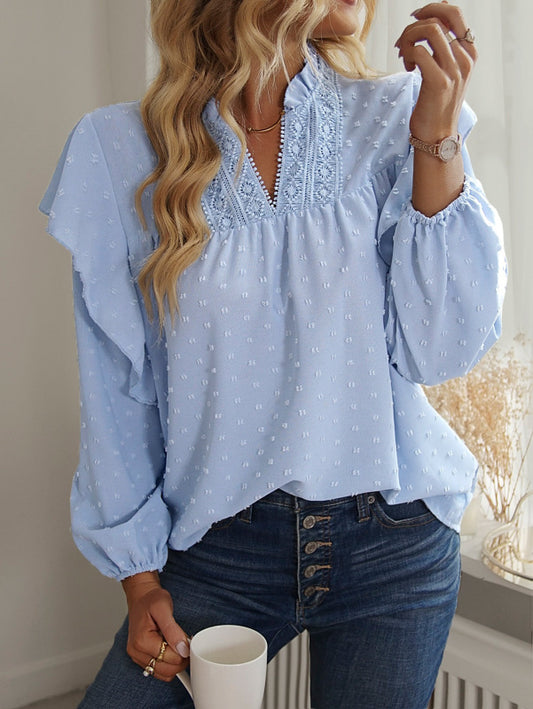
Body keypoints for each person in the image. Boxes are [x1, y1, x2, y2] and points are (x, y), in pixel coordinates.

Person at [39, 1, 506, 707]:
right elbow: (116, 393)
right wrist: (138, 577)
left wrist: (436, 138)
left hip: (393, 542)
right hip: (219, 550)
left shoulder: (393, 117)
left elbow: (438, 351)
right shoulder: (119, 150)